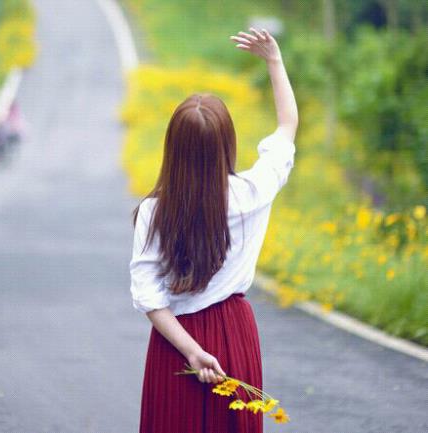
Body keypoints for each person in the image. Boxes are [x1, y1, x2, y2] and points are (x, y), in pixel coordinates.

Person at [129, 27, 298, 433]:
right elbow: (287, 127)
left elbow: (148, 295)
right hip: (234, 332)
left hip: (176, 344)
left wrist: (192, 352)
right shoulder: (252, 194)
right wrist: (274, 62)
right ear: (227, 144)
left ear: (173, 148)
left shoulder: (156, 211)